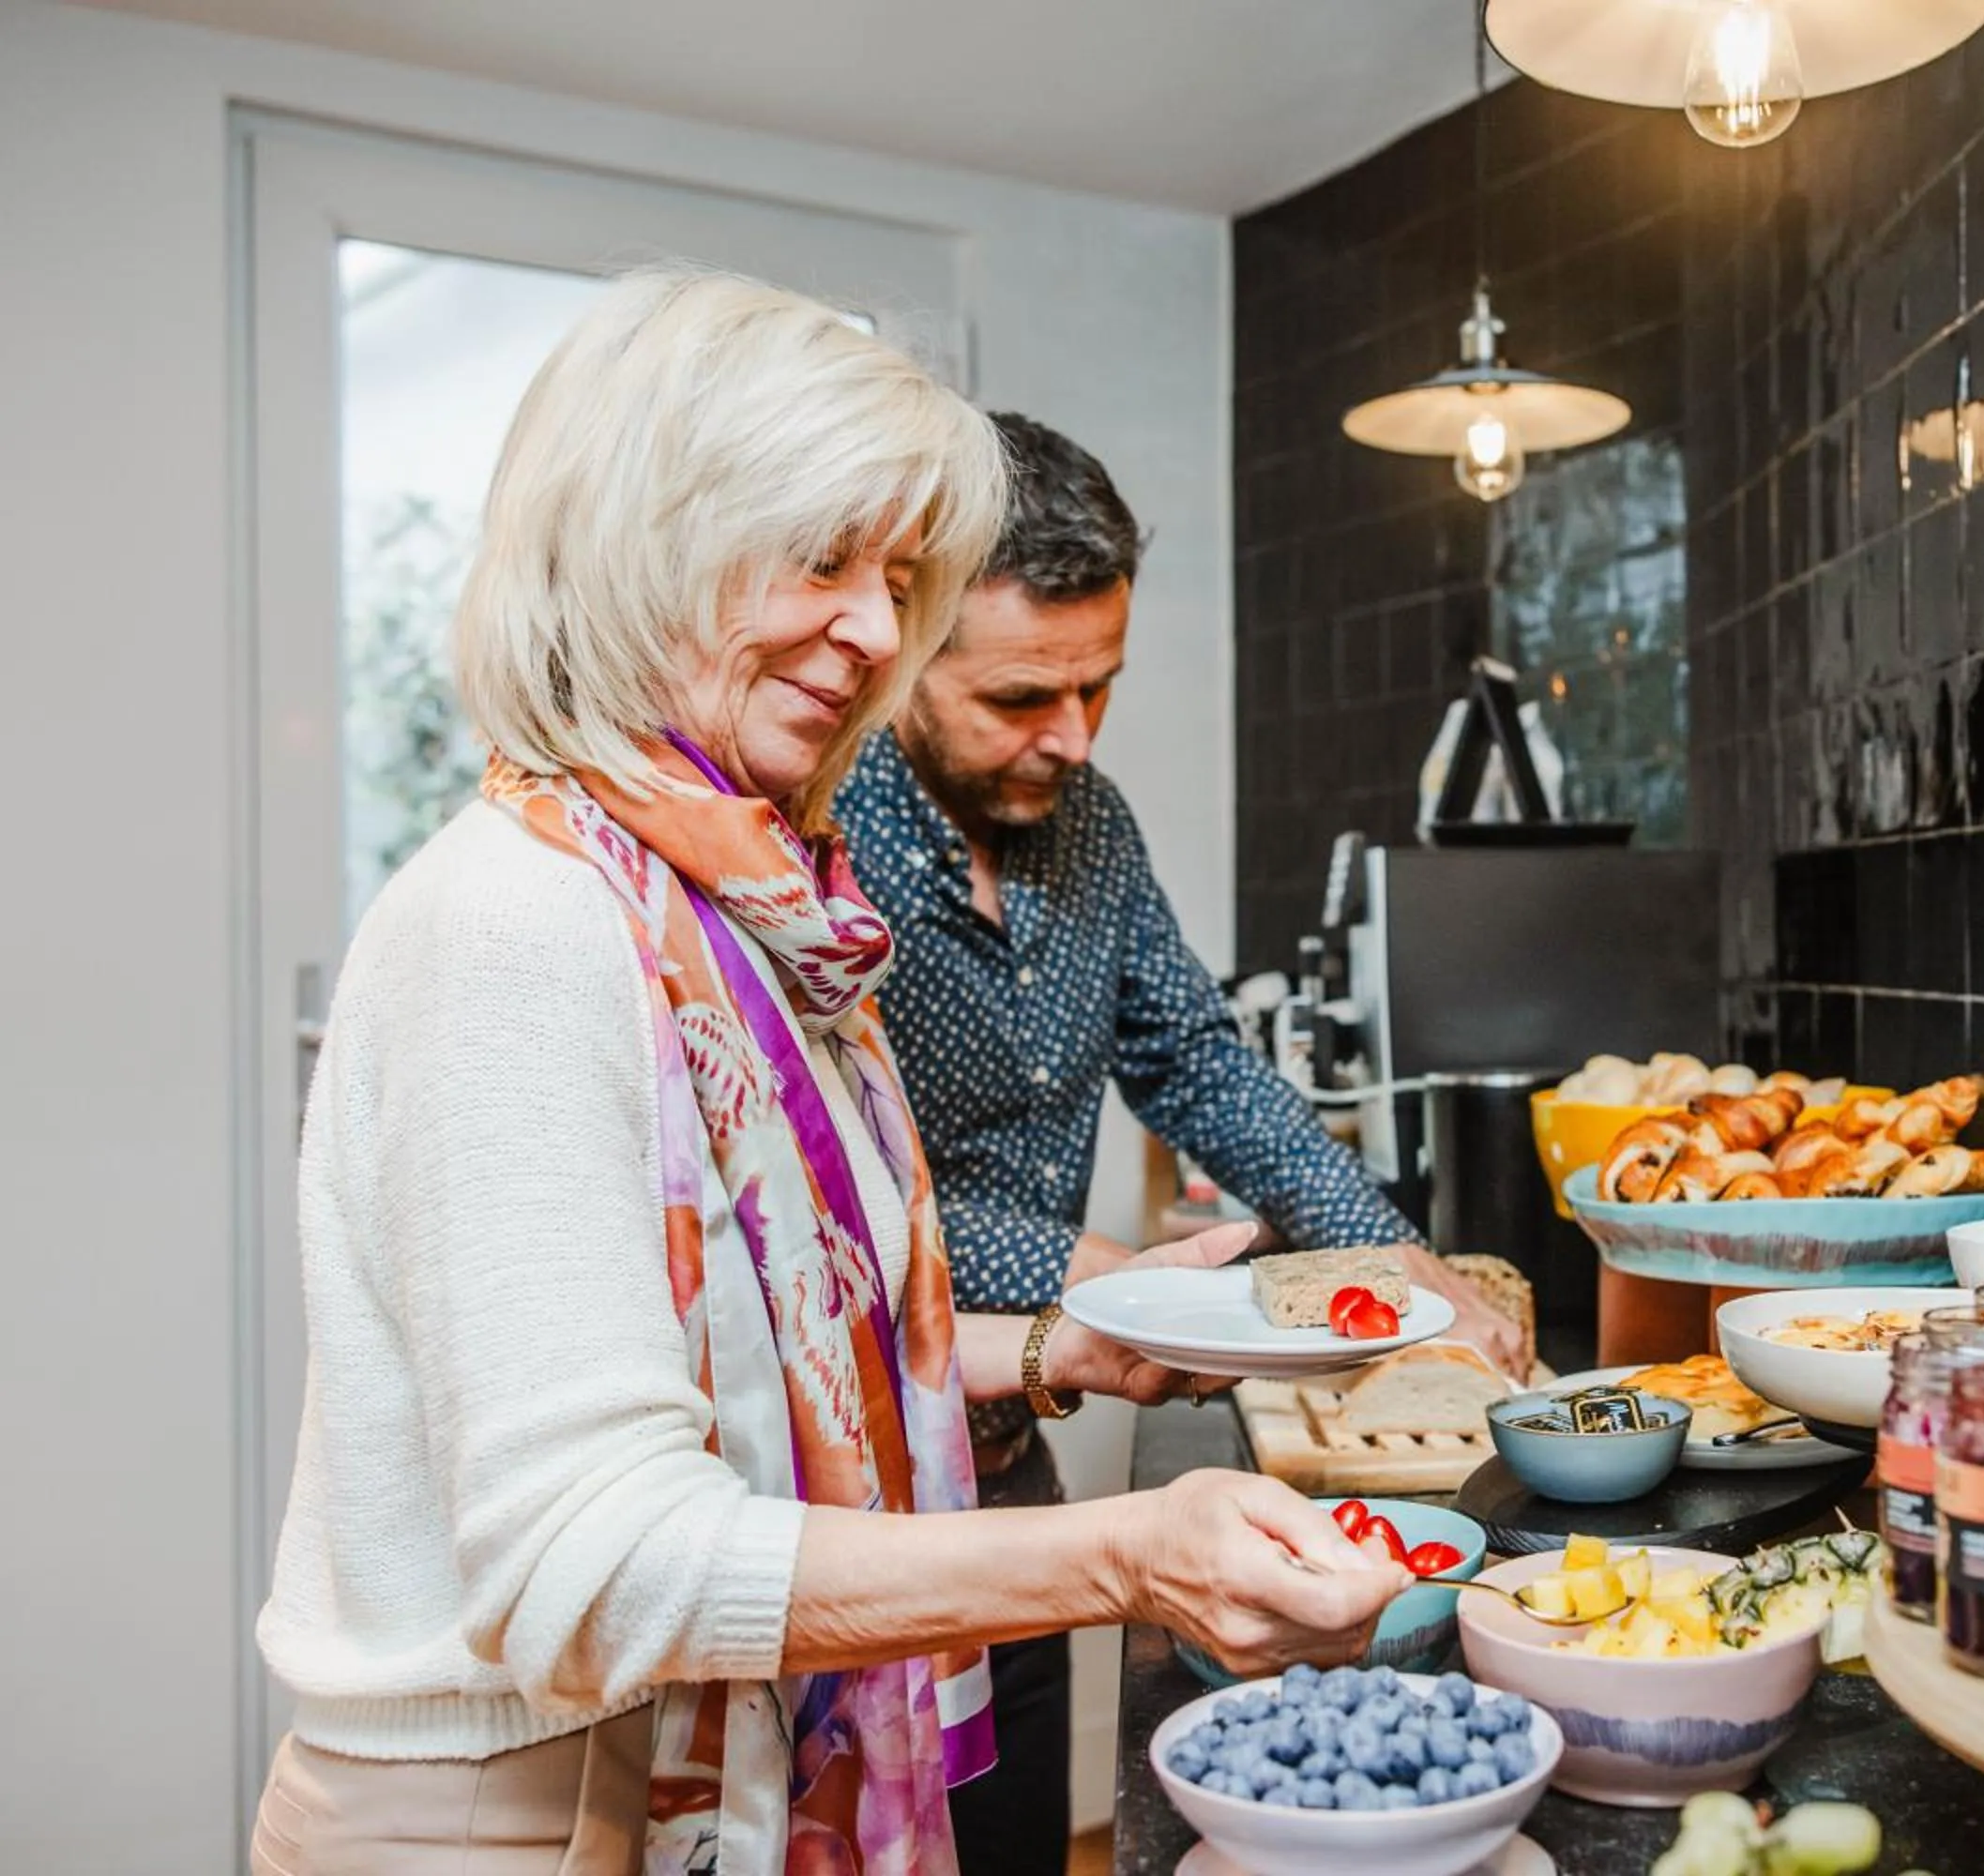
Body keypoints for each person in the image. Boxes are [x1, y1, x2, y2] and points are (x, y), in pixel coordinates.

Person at [249, 269, 1405, 1876]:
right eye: (823, 560)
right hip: (516, 1806)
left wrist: (1066, 1347)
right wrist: (1134, 1551)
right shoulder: (521, 923)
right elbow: (591, 1570)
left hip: (698, 1756)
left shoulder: (741, 907)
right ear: (644, 542)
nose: (874, 629)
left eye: (898, 575)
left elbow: (780, 1328)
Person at [832, 411, 1529, 1868]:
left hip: (1008, 1467)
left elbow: (1200, 1064)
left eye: (1101, 687)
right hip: (840, 1487)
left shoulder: (1092, 826)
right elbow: (834, 1188)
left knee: (1017, 1830)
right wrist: (1090, 1269)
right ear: (903, 644)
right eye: (1024, 695)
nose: (1072, 738)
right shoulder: (816, 839)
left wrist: (1391, 1255)